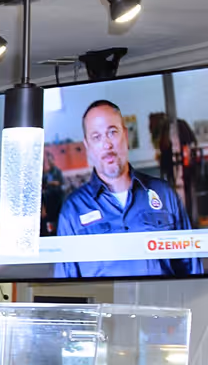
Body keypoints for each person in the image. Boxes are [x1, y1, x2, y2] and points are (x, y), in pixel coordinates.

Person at [52, 99, 200, 278]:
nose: (107, 145)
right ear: (88, 147)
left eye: (112, 132)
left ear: (126, 136)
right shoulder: (73, 211)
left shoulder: (164, 194)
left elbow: (191, 269)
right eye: (96, 137)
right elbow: (64, 286)